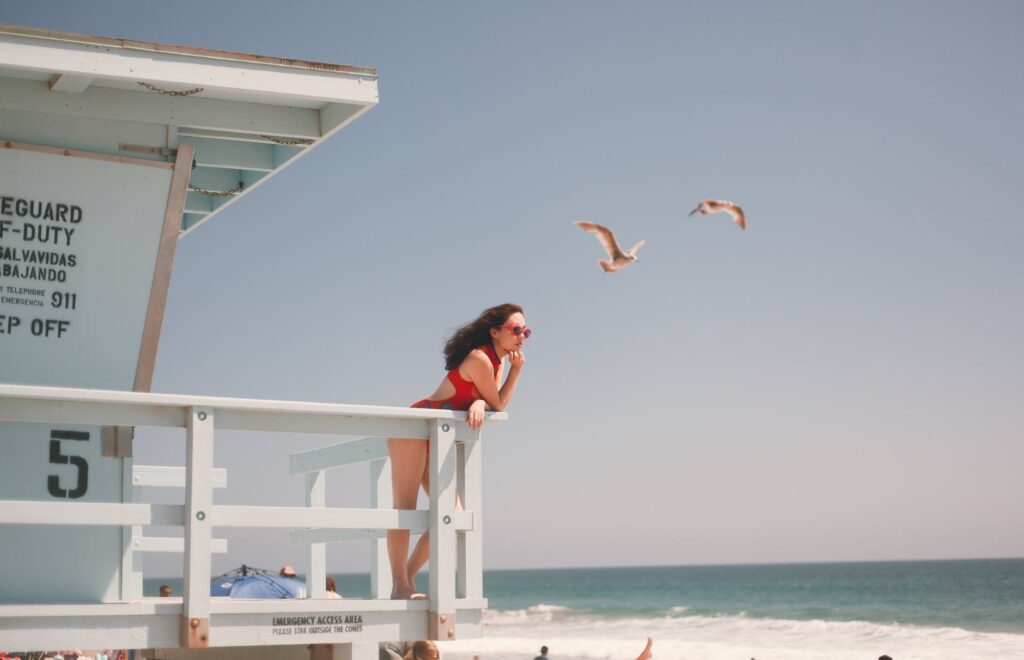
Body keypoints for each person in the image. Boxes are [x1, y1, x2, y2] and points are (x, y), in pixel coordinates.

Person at [387, 303, 529, 599]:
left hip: (438, 437)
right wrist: (514, 375)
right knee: (404, 508)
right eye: (516, 330)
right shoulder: (480, 358)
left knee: (453, 514)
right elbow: (498, 403)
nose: (522, 336)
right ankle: (400, 586)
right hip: (415, 428)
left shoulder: (497, 362)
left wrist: (480, 403)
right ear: (495, 331)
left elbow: (490, 402)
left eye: (526, 331)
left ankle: (408, 580)